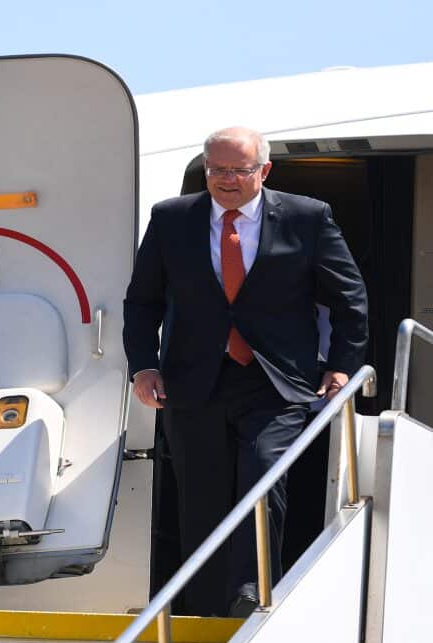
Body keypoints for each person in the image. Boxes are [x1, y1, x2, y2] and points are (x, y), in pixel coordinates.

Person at [123, 127, 368, 617]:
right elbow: (143, 299)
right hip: (194, 381)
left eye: (239, 170)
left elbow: (350, 299)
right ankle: (208, 609)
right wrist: (144, 366)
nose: (226, 180)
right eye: (216, 170)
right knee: (203, 495)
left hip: (274, 381)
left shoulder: (307, 217)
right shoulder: (172, 219)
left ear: (264, 170)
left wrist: (342, 367)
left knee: (262, 477)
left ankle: (251, 592)